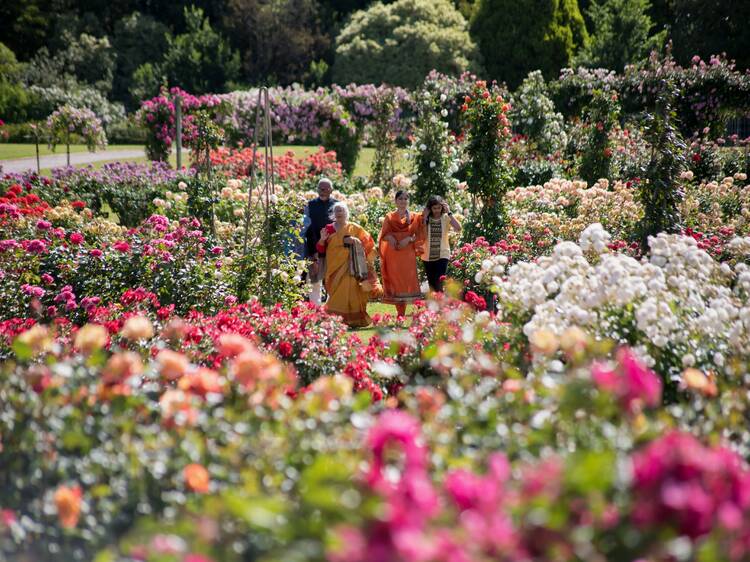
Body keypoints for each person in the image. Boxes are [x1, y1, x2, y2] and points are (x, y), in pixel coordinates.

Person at [316, 202, 380, 328]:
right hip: (334, 268)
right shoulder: (328, 229)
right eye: (337, 211)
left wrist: (355, 241)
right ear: (333, 214)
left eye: (342, 211)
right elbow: (320, 249)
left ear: (346, 213)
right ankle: (333, 319)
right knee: (337, 293)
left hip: (352, 267)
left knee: (351, 291)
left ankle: (351, 320)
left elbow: (368, 242)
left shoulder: (354, 228)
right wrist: (322, 239)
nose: (339, 213)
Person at [378, 190, 422, 317]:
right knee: (396, 282)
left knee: (407, 281)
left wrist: (408, 239)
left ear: (408, 201)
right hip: (394, 254)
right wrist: (391, 238)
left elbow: (419, 232)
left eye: (405, 199)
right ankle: (400, 313)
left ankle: (410, 313)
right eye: (400, 199)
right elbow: (384, 234)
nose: (403, 201)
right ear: (396, 201)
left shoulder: (415, 217)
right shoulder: (389, 217)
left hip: (408, 254)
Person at [414, 195, 461, 293]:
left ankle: (441, 305)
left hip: (443, 254)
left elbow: (458, 228)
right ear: (430, 208)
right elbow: (423, 234)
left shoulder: (446, 217)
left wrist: (449, 212)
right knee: (432, 284)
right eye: (434, 208)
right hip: (427, 255)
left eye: (439, 208)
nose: (437, 210)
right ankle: (434, 306)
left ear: (442, 207)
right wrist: (425, 217)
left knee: (439, 281)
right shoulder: (426, 219)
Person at [304, 178, 338, 304]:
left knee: (332, 280)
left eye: (325, 189)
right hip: (314, 248)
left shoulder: (336, 205)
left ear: (331, 190)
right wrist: (313, 251)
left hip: (332, 248)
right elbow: (307, 228)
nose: (322, 191)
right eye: (320, 188)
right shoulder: (310, 205)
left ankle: (332, 308)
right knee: (314, 281)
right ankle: (315, 309)